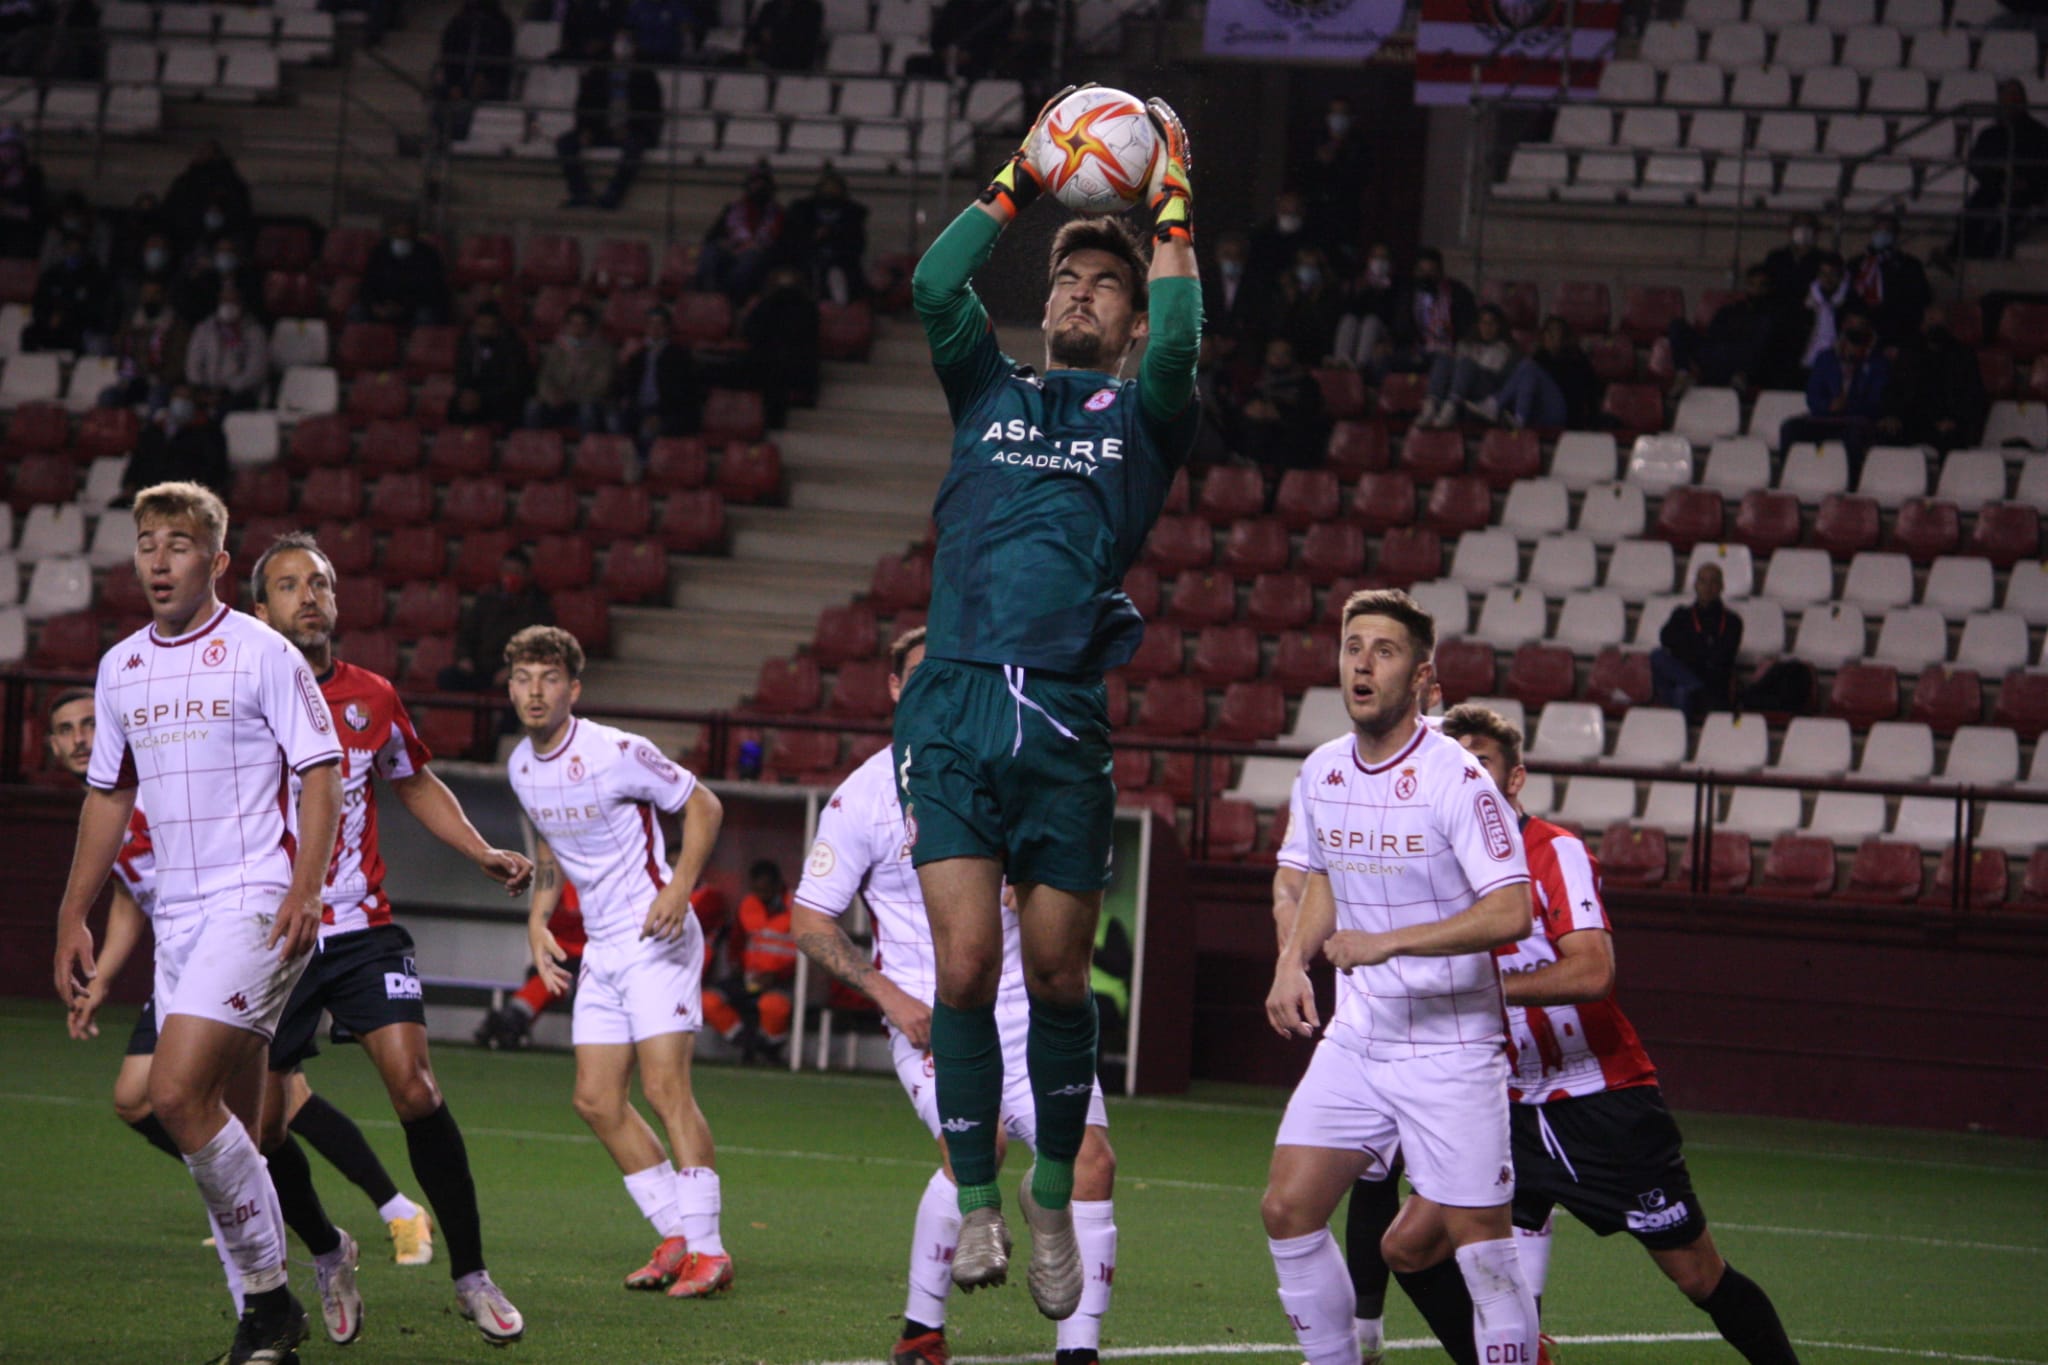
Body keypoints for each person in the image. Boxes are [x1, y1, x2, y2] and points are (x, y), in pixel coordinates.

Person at [897, 85, 1196, 1319]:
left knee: (1060, 980)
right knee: (965, 966)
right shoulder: (988, 394)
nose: (1078, 290)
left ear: (1127, 324)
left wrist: (1169, 213)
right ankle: (976, 1200)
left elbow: (1184, 343)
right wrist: (1020, 183)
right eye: (1066, 277)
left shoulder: (1140, 417)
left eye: (1103, 285)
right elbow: (929, 287)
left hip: (1065, 720)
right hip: (953, 703)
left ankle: (1053, 1197)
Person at [50, 481, 343, 1364]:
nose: (159, 559)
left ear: (215, 561)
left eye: (178, 544)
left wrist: (305, 886)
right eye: (146, 543)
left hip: (256, 902)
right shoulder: (120, 666)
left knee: (172, 1095)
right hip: (178, 916)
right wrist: (73, 911)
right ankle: (280, 1314)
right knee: (245, 1133)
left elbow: (322, 773)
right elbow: (108, 795)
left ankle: (269, 1303)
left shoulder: (262, 651)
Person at [793, 626, 1120, 1365]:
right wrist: (890, 996)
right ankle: (921, 1328)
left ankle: (1079, 1350)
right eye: (925, 676)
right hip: (937, 1014)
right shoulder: (862, 797)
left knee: (1093, 1161)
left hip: (1030, 1004)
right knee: (983, 1145)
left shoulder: (1011, 764)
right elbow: (809, 918)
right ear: (896, 689)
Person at [1439, 703, 1803, 1365]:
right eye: (1454, 761)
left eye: (1480, 761)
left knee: (1698, 1274)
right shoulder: (1445, 866)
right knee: (1438, 1252)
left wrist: (1482, 993)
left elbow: (1594, 970)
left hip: (1600, 1102)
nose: (1466, 775)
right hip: (1503, 1103)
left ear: (1514, 778)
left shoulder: (1555, 851)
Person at [245, 532, 532, 1345]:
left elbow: (412, 777)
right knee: (264, 1129)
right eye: (290, 585)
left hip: (364, 929)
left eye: (321, 583)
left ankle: (472, 1274)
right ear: (258, 608)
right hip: (274, 938)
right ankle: (330, 1251)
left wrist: (480, 850)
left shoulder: (371, 693)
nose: (309, 596)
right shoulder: (239, 695)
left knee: (418, 1090)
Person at [49, 689, 438, 1281]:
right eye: (65, 731)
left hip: (234, 942)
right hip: (181, 960)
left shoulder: (162, 783)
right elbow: (132, 895)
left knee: (279, 1100)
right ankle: (246, 1195)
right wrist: (101, 976)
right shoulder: (106, 810)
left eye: (87, 725)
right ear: (51, 745)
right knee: (137, 1098)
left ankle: (394, 1210)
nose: (79, 738)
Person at [1264, 588, 1541, 1365]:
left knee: (1484, 1254)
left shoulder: (1458, 777)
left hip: (1452, 1044)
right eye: (1354, 645)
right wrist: (1291, 964)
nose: (1362, 662)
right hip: (1361, 1033)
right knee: (1288, 1208)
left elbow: (1512, 910)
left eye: (1383, 650)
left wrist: (1390, 943)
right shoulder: (1323, 770)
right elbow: (1323, 876)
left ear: (1422, 676)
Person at [505, 624, 734, 1300]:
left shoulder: (616, 751)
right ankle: (676, 1232)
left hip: (656, 936)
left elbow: (704, 803)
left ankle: (710, 1251)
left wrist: (679, 883)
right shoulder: (520, 765)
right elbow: (551, 849)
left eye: (549, 678)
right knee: (596, 1098)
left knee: (666, 1090)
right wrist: (539, 918)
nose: (535, 691)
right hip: (601, 947)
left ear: (573, 688)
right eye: (523, 678)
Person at [702, 859, 797, 1063]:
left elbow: (806, 952)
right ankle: (747, 1042)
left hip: (782, 979)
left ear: (777, 884)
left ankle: (771, 1048)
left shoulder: (796, 907)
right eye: (757, 889)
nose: (762, 894)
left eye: (766, 889)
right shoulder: (748, 904)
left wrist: (778, 975)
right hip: (749, 977)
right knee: (708, 1000)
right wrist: (737, 965)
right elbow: (737, 941)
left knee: (773, 1005)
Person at [557, 33, 663, 210]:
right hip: (600, 130)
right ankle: (580, 193)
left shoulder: (645, 75)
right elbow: (584, 104)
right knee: (565, 143)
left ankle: (613, 196)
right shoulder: (599, 71)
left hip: (632, 131)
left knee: (635, 147)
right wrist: (586, 129)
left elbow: (652, 110)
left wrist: (629, 128)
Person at [1947, 79, 2048, 262]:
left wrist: (2026, 183)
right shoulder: (1989, 134)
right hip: (1993, 187)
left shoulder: (2040, 134)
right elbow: (1976, 164)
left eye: (2015, 97)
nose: (2011, 102)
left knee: (2006, 221)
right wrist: (1997, 180)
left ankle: (1986, 258)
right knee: (1973, 211)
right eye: (2007, 97)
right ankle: (1956, 255)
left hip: (2026, 193)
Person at [440, 549, 555, 692]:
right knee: (447, 678)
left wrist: (513, 669)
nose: (510, 577)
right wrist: (465, 658)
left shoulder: (539, 606)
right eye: (506, 571)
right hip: (481, 668)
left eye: (516, 572)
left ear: (527, 575)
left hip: (515, 673)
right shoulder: (487, 599)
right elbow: (467, 634)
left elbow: (540, 648)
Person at [1666, 266, 1789, 393]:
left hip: (1744, 361)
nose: (1756, 290)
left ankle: (1741, 377)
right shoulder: (1730, 310)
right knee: (1677, 325)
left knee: (1764, 331)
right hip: (1716, 355)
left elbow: (1765, 348)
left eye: (1762, 285)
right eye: (1752, 284)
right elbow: (1712, 336)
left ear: (1769, 288)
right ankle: (1683, 374)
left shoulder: (1773, 316)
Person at [1888, 303, 1986, 453]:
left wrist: (1954, 421)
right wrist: (1894, 416)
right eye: (1931, 321)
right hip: (1913, 422)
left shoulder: (1963, 356)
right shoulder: (1909, 354)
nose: (1936, 327)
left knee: (1951, 440)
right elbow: (1896, 390)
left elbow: (1973, 396)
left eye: (1940, 323)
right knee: (1888, 435)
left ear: (1949, 326)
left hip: (1949, 423)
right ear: (1922, 325)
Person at [1651, 562, 1743, 721]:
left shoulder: (1732, 621)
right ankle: (1693, 685)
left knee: (1681, 691)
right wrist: (1704, 645)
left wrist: (1688, 647)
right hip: (1685, 676)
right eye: (1702, 581)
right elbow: (1666, 638)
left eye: (1713, 582)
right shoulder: (1681, 614)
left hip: (1712, 685)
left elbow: (1722, 657)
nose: (1707, 587)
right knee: (1657, 656)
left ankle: (1680, 736)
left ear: (1721, 586)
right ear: (1695, 585)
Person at [1226, 335, 1328, 473]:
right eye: (1274, 354)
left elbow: (1308, 416)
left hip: (1293, 446)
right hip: (1261, 440)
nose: (1279, 358)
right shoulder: (1259, 382)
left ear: (1292, 357)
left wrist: (1279, 413)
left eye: (1284, 354)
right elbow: (1246, 406)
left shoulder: (1307, 384)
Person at [121, 386, 231, 503]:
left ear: (194, 403)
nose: (181, 403)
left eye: (186, 399)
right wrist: (129, 483)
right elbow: (137, 459)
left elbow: (216, 466)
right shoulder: (154, 430)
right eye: (178, 398)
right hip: (151, 492)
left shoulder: (209, 432)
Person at [1292, 96, 1371, 261]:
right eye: (1335, 113)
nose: (1338, 118)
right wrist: (1320, 164)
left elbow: (1359, 182)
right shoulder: (1314, 144)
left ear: (1352, 118)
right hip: (1316, 219)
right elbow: (1303, 179)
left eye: (1343, 113)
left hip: (1346, 222)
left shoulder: (1360, 148)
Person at [1486, 316, 1598, 430]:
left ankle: (1497, 405)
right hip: (1538, 413)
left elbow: (1591, 392)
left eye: (1555, 331)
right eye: (1547, 331)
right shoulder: (1539, 357)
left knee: (1528, 366)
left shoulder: (1576, 358)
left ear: (1564, 336)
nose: (1550, 335)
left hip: (1563, 414)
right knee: (1526, 369)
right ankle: (1517, 417)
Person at [1418, 303, 1517, 429]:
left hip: (1486, 390)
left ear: (1499, 326)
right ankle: (1431, 407)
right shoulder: (1467, 344)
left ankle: (1451, 408)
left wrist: (1468, 365)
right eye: (1483, 323)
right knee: (1444, 358)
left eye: (1492, 324)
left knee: (1466, 363)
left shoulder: (1504, 349)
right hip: (1462, 386)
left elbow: (1497, 377)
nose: (1487, 328)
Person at [613, 303, 699, 446]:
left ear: (667, 327)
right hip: (640, 408)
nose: (655, 328)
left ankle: (645, 465)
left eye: (660, 324)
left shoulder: (679, 355)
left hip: (669, 412)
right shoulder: (638, 355)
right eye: (651, 324)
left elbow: (683, 394)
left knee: (647, 430)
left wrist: (659, 415)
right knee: (614, 421)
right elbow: (627, 387)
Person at [696, 166, 784, 302]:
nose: (758, 187)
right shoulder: (733, 209)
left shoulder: (779, 214)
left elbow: (784, 246)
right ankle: (708, 293)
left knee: (751, 258)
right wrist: (725, 243)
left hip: (759, 258)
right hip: (733, 252)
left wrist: (757, 247)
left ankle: (724, 298)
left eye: (763, 183)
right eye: (755, 182)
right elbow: (711, 237)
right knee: (711, 252)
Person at [781, 170, 868, 306]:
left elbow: (856, 247)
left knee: (837, 277)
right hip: (807, 260)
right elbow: (792, 243)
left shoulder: (852, 216)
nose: (830, 192)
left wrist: (834, 236)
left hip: (839, 263)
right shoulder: (802, 212)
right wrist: (812, 238)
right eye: (827, 188)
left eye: (834, 189)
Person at [433, 0, 514, 141]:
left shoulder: (500, 24)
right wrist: (453, 84)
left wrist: (484, 78)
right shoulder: (458, 22)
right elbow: (448, 55)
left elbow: (501, 60)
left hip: (488, 83)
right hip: (458, 82)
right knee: (441, 99)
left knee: (466, 107)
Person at [1848, 213, 1930, 349]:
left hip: (1897, 334)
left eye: (1888, 230)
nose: (1882, 234)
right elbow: (1850, 298)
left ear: (1896, 235)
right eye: (1878, 230)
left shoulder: (1909, 265)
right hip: (1862, 334)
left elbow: (1920, 300)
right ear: (1871, 232)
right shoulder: (1857, 264)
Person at [1389, 247, 1476, 376]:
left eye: (1432, 272)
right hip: (1416, 350)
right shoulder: (1407, 294)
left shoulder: (1458, 293)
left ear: (1440, 272)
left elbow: (1466, 326)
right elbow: (1400, 326)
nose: (1426, 277)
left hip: (1447, 350)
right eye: (1422, 271)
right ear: (1415, 272)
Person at [529, 303, 617, 430]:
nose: (577, 328)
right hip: (556, 402)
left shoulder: (604, 351)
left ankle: (588, 447)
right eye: (573, 324)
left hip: (585, 401)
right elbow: (545, 377)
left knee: (587, 410)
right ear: (567, 325)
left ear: (590, 327)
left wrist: (569, 397)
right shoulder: (556, 349)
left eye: (582, 324)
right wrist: (550, 395)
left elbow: (601, 384)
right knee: (533, 406)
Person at [185, 281, 269, 411]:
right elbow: (193, 361)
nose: (228, 306)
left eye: (233, 301)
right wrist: (199, 386)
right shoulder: (205, 329)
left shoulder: (253, 332)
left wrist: (228, 389)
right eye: (224, 301)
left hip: (239, 393)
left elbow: (256, 371)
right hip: (206, 390)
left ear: (241, 303)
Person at [25, 227, 111, 353]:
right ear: (64, 248)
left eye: (77, 247)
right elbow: (39, 304)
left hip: (78, 327)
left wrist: (66, 317)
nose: (73, 250)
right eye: (70, 246)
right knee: (29, 333)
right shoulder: (52, 274)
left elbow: (95, 309)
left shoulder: (94, 275)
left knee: (87, 339)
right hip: (52, 326)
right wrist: (48, 318)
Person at [356, 215, 451, 327]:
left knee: (426, 316)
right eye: (398, 234)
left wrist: (403, 307)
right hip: (381, 306)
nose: (402, 239)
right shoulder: (379, 252)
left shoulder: (427, 255)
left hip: (414, 307)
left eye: (406, 235)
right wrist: (374, 306)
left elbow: (432, 291)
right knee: (357, 312)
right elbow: (367, 284)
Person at [162, 140, 253, 256]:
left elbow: (240, 211)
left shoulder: (230, 181)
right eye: (200, 151)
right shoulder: (186, 181)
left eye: (207, 152)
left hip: (225, 239)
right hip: (190, 239)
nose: (202, 155)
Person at [452, 302, 533, 428]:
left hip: (501, 397)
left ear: (498, 327)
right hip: (474, 396)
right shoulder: (467, 343)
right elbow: (461, 372)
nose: (484, 330)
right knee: (456, 406)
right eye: (480, 325)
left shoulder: (512, 346)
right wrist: (466, 392)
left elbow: (514, 382)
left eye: (489, 326)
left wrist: (483, 397)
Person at [1329, 242, 1398, 373]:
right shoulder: (1360, 282)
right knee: (1349, 320)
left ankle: (1361, 365)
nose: (1379, 262)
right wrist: (1362, 290)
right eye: (1376, 257)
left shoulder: (1396, 286)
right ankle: (1341, 361)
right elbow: (1351, 309)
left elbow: (1390, 316)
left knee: (1371, 322)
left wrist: (1381, 292)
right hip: (1358, 327)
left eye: (1384, 258)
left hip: (1382, 330)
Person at [1273, 246, 1345, 371]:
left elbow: (1327, 328)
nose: (1308, 271)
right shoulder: (1288, 294)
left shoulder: (1330, 295)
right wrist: (1291, 301)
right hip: (1292, 354)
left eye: (1313, 267)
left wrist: (1315, 296)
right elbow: (1280, 329)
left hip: (1321, 353)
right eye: (1304, 266)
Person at [1796, 251, 1861, 372]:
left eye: (1833, 274)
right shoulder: (1805, 303)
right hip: (1808, 365)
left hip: (1839, 368)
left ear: (1841, 276)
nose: (1827, 279)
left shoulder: (1851, 305)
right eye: (1823, 274)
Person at [0, 123, 47, 258]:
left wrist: (12, 210)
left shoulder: (32, 174)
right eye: (4, 147)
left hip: (22, 238)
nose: (8, 152)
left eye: (13, 148)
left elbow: (34, 210)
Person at [1760, 212, 1823, 311]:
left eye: (1808, 227)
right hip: (1778, 312)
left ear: (1817, 232)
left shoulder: (1824, 260)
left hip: (1811, 314)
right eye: (1799, 226)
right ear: (1790, 231)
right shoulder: (1776, 257)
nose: (1804, 231)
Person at [742, 0, 821, 70]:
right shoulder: (769, 7)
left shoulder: (811, 9)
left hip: (794, 66)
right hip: (763, 61)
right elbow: (753, 33)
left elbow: (804, 42)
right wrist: (751, 46)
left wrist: (773, 37)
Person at [624, 0, 698, 63]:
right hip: (643, 53)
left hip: (669, 55)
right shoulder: (639, 6)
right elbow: (628, 29)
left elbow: (687, 25)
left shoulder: (675, 5)